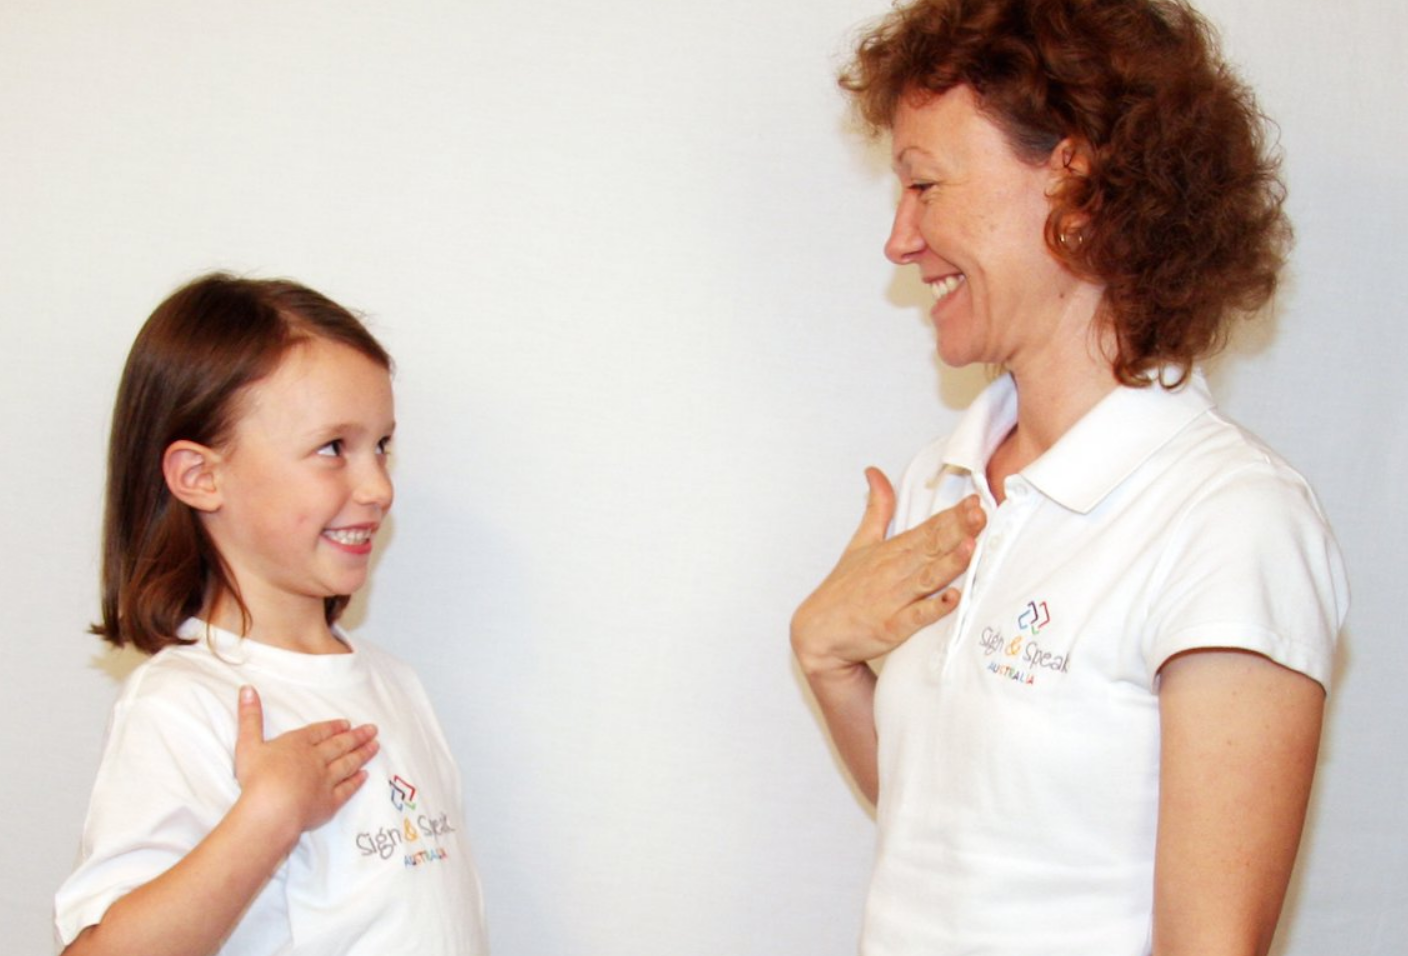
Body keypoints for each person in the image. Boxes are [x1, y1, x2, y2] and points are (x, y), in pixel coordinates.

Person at [790, 2, 1348, 954]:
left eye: (926, 185)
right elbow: (963, 839)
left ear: (1076, 184)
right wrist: (829, 662)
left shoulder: (1230, 520)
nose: (899, 239)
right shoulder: (941, 484)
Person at [55, 274, 489, 955]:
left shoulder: (394, 684)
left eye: (381, 445)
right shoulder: (184, 704)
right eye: (332, 449)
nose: (378, 486)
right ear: (201, 476)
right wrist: (270, 815)